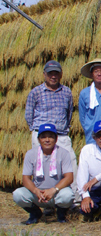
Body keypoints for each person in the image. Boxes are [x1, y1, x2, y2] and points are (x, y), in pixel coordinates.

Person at [25, 60, 78, 196]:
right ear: (44, 75)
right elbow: (28, 115)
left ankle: (72, 200)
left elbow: (69, 114)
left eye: (56, 73)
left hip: (61, 135)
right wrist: (37, 131)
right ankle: (43, 198)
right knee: (42, 167)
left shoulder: (66, 92)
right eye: (50, 73)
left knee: (71, 164)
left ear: (61, 75)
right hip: (41, 136)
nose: (53, 76)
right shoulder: (36, 92)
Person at [13, 124, 74, 224]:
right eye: (43, 137)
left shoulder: (64, 153)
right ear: (38, 139)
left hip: (56, 193)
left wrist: (53, 190)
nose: (47, 140)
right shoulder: (31, 154)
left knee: (68, 195)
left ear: (56, 138)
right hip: (38, 194)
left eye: (50, 136)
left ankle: (61, 213)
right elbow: (26, 179)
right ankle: (35, 213)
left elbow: (69, 177)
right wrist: (35, 190)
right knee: (18, 194)